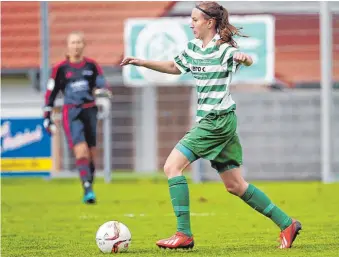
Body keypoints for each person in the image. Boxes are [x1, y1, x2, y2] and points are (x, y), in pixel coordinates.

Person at [121, 1, 301, 250]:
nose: (191, 23)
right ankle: (286, 223)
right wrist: (142, 62)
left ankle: (183, 234)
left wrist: (243, 57)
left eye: (195, 20)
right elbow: (174, 67)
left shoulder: (224, 49)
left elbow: (245, 60)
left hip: (216, 122)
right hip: (220, 120)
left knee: (172, 166)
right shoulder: (194, 47)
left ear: (209, 22)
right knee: (235, 185)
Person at [43, 31, 112, 204]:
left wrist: (103, 91)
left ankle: (89, 186)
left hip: (90, 111)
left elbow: (102, 83)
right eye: (73, 42)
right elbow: (51, 93)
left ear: (84, 45)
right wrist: (47, 116)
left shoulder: (92, 66)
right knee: (80, 150)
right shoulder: (60, 69)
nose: (76, 45)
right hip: (71, 112)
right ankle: (88, 190)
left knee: (91, 154)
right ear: (68, 46)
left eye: (79, 42)